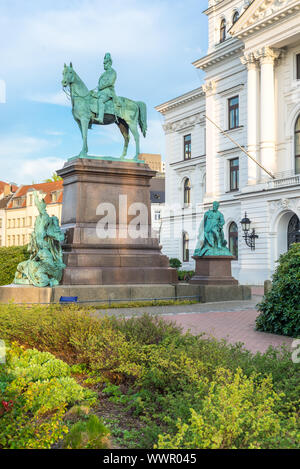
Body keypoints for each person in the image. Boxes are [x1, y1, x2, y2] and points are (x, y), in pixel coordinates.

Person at [97, 53, 119, 123]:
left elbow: (110, 82)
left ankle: (100, 118)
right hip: (101, 91)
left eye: (105, 63)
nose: (103, 65)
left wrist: (101, 86)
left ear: (109, 63)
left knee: (100, 100)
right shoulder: (103, 74)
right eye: (103, 63)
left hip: (108, 92)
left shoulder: (113, 72)